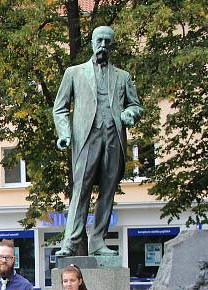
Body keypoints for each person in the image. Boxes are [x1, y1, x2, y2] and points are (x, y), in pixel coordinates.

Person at [52, 26, 143, 256]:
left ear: (112, 45)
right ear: (92, 42)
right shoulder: (74, 73)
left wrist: (130, 114)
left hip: (114, 136)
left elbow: (135, 105)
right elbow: (60, 108)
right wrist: (64, 133)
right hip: (87, 137)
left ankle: (99, 241)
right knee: (80, 189)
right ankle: (70, 243)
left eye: (107, 42)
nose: (103, 45)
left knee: (108, 190)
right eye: (99, 40)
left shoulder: (122, 76)